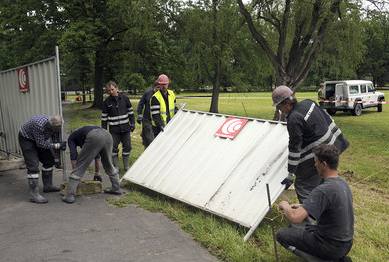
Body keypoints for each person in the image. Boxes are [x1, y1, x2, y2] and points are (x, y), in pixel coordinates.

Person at [272, 85, 349, 203]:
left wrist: (291, 173)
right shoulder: (309, 103)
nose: (280, 110)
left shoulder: (293, 119)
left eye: (279, 106)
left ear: (286, 103)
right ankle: (327, 208)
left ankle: (310, 215)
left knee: (303, 184)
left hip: (321, 154)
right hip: (335, 147)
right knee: (325, 179)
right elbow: (328, 118)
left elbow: (294, 147)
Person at [277, 144, 354, 261]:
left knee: (282, 234)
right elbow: (334, 207)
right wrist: (304, 206)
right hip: (345, 243)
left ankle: (323, 260)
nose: (314, 164)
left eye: (316, 161)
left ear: (324, 164)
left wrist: (285, 205)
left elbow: (295, 217)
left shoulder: (323, 190)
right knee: (296, 227)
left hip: (329, 245)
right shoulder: (342, 183)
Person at [62, 126, 121, 204]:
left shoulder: (72, 138)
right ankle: (116, 188)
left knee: (81, 164)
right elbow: (96, 156)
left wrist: (76, 173)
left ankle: (69, 195)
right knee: (108, 164)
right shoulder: (85, 132)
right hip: (107, 134)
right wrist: (97, 173)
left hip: (95, 136)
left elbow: (74, 156)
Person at [18, 115, 66, 203]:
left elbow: (55, 141)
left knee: (48, 160)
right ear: (51, 125)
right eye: (56, 128)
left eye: (59, 127)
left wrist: (57, 159)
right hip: (26, 139)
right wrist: (58, 145)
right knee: (33, 165)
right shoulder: (38, 125)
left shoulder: (57, 126)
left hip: (38, 138)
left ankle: (48, 186)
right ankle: (34, 195)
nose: (58, 129)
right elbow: (40, 144)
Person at [101, 81, 135, 171]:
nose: (111, 92)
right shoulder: (106, 102)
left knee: (127, 147)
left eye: (112, 89)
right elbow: (104, 119)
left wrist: (132, 123)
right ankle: (116, 166)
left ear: (117, 88)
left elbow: (131, 112)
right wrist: (104, 131)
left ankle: (126, 166)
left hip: (126, 129)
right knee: (113, 149)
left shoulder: (125, 98)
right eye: (109, 90)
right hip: (114, 131)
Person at [137, 81, 159, 148]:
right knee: (150, 139)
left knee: (155, 138)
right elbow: (141, 104)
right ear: (155, 86)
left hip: (156, 120)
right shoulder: (148, 92)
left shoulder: (161, 94)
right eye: (158, 87)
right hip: (147, 119)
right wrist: (139, 114)